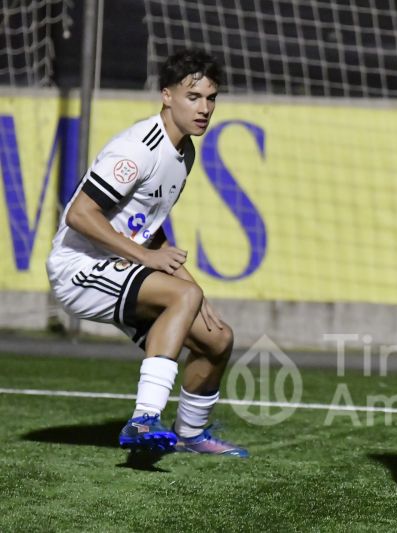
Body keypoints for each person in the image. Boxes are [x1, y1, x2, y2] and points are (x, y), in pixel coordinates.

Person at [46, 49, 247, 458]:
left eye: (211, 98)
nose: (204, 108)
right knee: (184, 299)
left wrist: (192, 286)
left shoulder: (184, 152)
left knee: (217, 338)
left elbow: (148, 227)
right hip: (78, 267)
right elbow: (80, 214)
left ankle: (190, 433)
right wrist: (148, 259)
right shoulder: (139, 146)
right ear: (166, 96)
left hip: (121, 264)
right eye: (193, 97)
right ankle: (143, 420)